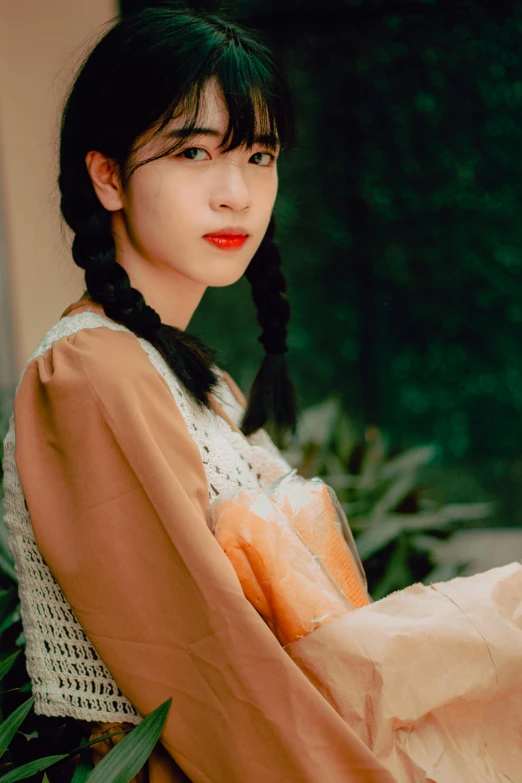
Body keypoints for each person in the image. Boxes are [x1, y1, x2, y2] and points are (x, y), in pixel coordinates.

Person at [1, 7, 397, 782]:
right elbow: (205, 660)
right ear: (107, 175)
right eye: (192, 151)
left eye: (258, 154)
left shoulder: (186, 371)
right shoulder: (89, 374)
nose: (235, 192)